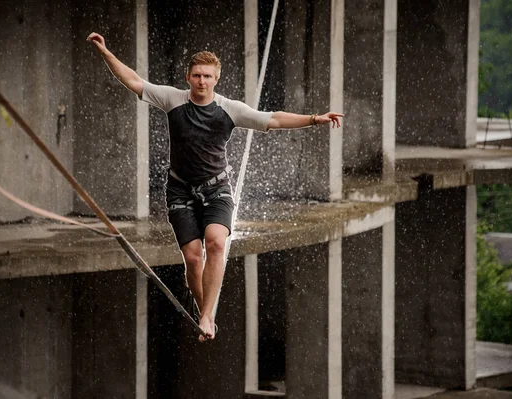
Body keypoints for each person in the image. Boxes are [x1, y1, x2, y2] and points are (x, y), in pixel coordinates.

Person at [87, 32, 343, 341]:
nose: (201, 81)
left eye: (207, 76)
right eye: (196, 75)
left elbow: (273, 120)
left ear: (216, 78)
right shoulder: (172, 99)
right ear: (188, 77)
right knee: (194, 259)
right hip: (180, 189)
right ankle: (202, 308)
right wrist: (105, 52)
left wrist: (315, 119)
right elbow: (133, 81)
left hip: (217, 188)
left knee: (216, 242)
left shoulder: (229, 109)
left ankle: (208, 315)